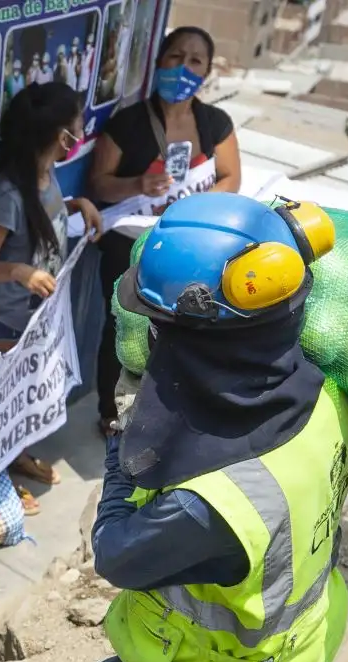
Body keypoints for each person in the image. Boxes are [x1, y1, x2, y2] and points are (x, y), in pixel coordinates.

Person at [41, 193, 348, 662]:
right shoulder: (328, 395)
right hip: (295, 645)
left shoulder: (212, 501)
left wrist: (118, 456)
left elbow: (115, 552)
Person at [90, 26, 242, 435]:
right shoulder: (128, 125)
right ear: (159, 60)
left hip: (188, 246)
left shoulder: (215, 123)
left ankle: (168, 406)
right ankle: (111, 410)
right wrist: (136, 185)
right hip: (129, 247)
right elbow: (98, 183)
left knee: (182, 323)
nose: (184, 67)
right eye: (176, 56)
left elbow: (230, 177)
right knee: (124, 325)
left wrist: (193, 210)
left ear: (207, 71)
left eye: (195, 60)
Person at [0, 80, 102, 508]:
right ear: (61, 134)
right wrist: (19, 271)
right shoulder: (7, 193)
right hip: (4, 319)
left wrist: (76, 204)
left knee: (24, 400)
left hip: (34, 318)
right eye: (76, 124)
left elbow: (43, 216)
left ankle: (18, 457)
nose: (81, 130)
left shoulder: (47, 177)